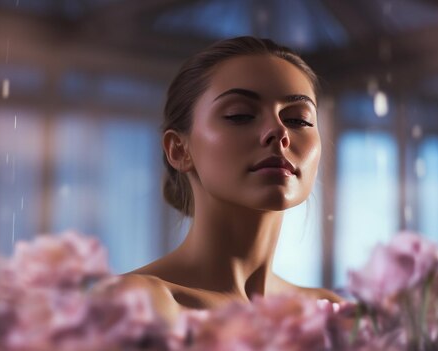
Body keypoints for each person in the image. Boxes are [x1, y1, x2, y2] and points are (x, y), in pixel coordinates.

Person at [97, 36, 341, 322]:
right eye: (240, 115)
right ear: (179, 149)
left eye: (298, 119)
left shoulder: (331, 312)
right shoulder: (136, 305)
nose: (278, 131)